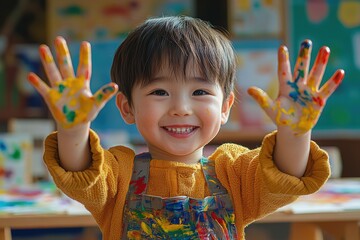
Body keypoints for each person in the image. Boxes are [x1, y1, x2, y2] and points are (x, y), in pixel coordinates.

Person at [28, 16, 344, 240]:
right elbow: (80, 173)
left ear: (225, 107)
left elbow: (285, 176)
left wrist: (296, 132)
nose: (181, 108)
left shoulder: (233, 172)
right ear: (127, 107)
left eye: (200, 92)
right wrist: (73, 128)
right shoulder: (118, 175)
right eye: (159, 92)